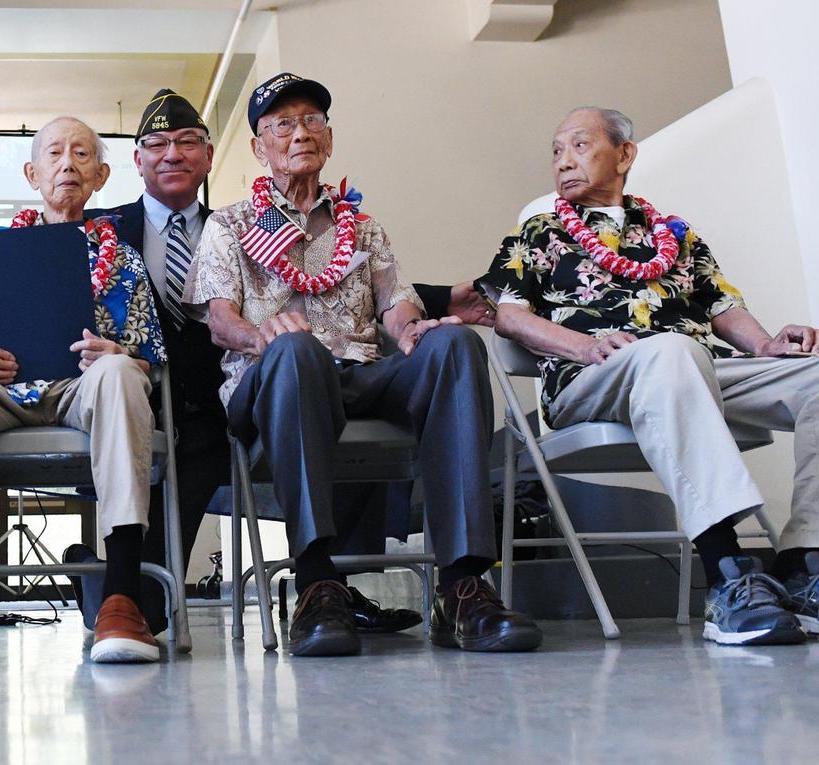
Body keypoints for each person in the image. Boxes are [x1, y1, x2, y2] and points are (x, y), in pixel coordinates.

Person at [183, 73, 542, 656]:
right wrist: (261, 336)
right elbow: (219, 320)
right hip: (272, 378)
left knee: (453, 346)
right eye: (281, 124)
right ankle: (317, 583)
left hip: (363, 370)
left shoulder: (363, 226)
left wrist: (412, 327)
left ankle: (462, 586)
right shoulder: (229, 223)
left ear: (328, 137)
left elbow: (395, 304)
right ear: (258, 146)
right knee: (295, 352)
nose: (299, 132)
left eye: (311, 121)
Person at [478, 106, 819, 646]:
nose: (564, 161)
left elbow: (722, 306)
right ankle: (728, 572)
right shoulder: (539, 233)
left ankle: (805, 563)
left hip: (692, 368)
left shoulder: (675, 233)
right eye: (556, 150)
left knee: (814, 377)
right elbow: (510, 316)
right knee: (670, 352)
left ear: (625, 154)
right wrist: (585, 345)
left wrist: (766, 344)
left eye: (579, 146)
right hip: (592, 377)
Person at [0, 116, 168, 667]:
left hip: (82, 389)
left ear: (100, 174)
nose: (66, 163)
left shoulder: (126, 258)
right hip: (0, 391)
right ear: (32, 172)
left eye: (80, 154)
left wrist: (120, 356)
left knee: (121, 375)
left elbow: (149, 359)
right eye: (53, 153)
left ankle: (121, 596)